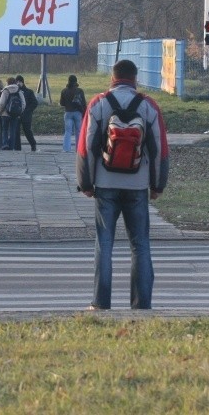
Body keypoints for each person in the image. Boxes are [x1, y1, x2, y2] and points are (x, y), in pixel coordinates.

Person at [76, 59, 169, 310]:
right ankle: (141, 305)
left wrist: (86, 182)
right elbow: (160, 149)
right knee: (140, 244)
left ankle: (100, 303)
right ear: (135, 79)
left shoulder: (99, 104)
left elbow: (86, 147)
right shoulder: (149, 106)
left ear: (112, 79)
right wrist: (157, 185)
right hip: (137, 186)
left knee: (104, 243)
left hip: (105, 185)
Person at [59, 74, 86, 152]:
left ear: (68, 81)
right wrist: (84, 112)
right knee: (78, 131)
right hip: (78, 113)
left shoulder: (64, 90)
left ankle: (66, 149)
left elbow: (61, 103)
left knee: (68, 132)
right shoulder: (79, 91)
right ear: (76, 81)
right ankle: (79, 149)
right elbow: (83, 103)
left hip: (68, 113)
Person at [0, 77, 26, 150]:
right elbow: (23, 103)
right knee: (13, 130)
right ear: (15, 82)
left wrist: (0, 112)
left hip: (5, 114)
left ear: (7, 83)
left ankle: (5, 144)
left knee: (5, 130)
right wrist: (19, 112)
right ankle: (11, 146)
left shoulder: (6, 90)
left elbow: (2, 103)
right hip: (15, 114)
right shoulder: (19, 90)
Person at [14, 75, 38, 152]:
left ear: (22, 82)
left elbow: (34, 103)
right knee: (16, 131)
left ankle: (33, 144)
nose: (18, 83)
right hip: (17, 114)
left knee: (27, 131)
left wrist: (28, 110)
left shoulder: (29, 92)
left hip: (26, 115)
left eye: (20, 82)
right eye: (17, 82)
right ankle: (17, 147)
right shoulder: (14, 92)